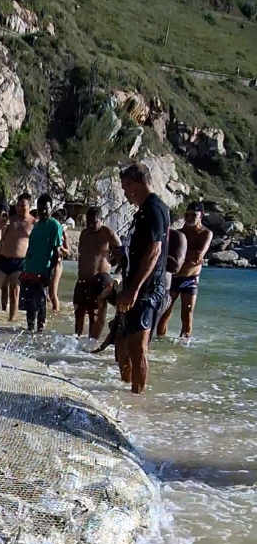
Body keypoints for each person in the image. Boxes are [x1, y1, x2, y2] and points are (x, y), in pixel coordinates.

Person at [114, 162, 170, 394]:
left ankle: (137, 399)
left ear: (135, 183)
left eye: (125, 188)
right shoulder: (142, 212)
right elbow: (140, 248)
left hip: (147, 290)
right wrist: (123, 253)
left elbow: (154, 252)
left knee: (138, 347)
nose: (125, 193)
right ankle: (126, 396)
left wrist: (134, 290)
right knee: (120, 344)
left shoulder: (155, 209)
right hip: (132, 285)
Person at [156, 201, 212, 341]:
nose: (190, 217)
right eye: (187, 214)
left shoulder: (205, 233)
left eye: (194, 215)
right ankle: (160, 342)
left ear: (201, 215)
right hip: (174, 277)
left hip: (190, 279)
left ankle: (184, 345)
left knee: (187, 314)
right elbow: (167, 253)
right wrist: (190, 255)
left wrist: (182, 253)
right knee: (164, 312)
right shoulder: (179, 234)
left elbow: (198, 255)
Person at [74, 207, 123, 340]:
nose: (90, 225)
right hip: (83, 278)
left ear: (101, 220)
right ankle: (76, 341)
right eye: (88, 222)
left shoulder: (108, 233)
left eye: (94, 222)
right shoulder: (84, 234)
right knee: (79, 311)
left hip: (100, 278)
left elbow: (121, 252)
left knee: (94, 314)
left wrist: (111, 264)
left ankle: (92, 342)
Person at [0, 193, 34, 319]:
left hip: (20, 262)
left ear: (29, 206)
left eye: (23, 206)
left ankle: (11, 320)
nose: (20, 208)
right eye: (18, 206)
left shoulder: (34, 223)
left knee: (14, 291)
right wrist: (1, 227)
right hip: (3, 258)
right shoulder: (10, 220)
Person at [20, 194, 64, 333]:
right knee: (29, 305)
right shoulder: (37, 225)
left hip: (43, 270)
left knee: (41, 303)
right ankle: (29, 330)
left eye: (46, 209)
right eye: (40, 209)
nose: (43, 212)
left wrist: (50, 273)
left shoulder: (54, 226)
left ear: (51, 209)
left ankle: (40, 331)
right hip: (29, 269)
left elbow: (56, 252)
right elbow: (31, 249)